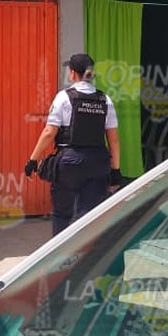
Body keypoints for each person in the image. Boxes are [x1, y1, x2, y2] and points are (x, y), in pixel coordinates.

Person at [24, 53, 124, 236]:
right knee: (89, 217)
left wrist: (33, 160)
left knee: (62, 215)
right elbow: (114, 140)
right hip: (97, 163)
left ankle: (60, 252)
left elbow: (49, 132)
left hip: (69, 163)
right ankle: (86, 252)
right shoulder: (105, 99)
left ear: (72, 73)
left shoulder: (63, 97)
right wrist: (116, 170)